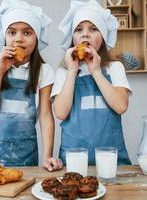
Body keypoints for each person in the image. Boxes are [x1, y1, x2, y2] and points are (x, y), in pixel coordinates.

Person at [0, 0, 62, 171]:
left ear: (36, 38)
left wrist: (47, 156)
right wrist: (0, 72)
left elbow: (46, 116)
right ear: (4, 37)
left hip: (26, 157)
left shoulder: (43, 71)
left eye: (27, 33)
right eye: (12, 33)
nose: (18, 39)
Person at [51, 0, 132, 165]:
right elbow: (60, 112)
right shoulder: (64, 71)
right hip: (73, 160)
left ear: (102, 36)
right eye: (79, 30)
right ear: (72, 37)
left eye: (93, 29)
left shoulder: (114, 67)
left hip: (112, 160)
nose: (85, 34)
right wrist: (72, 71)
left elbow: (121, 106)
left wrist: (95, 71)